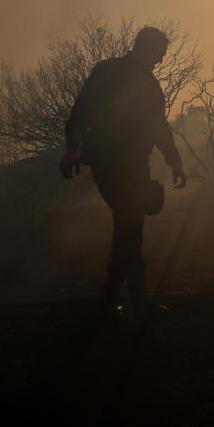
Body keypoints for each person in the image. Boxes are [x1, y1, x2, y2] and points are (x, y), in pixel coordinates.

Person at [59, 26, 188, 311]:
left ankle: (115, 293)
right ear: (145, 48)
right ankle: (129, 295)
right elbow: (83, 110)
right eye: (159, 54)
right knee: (130, 220)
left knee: (130, 224)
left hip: (134, 164)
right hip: (108, 161)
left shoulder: (148, 85)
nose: (160, 60)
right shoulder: (107, 73)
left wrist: (174, 161)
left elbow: (158, 128)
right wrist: (72, 148)